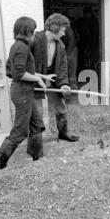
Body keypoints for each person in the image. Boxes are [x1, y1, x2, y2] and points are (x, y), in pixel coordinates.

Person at [0, 17, 55, 172]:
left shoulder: (18, 46)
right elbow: (19, 74)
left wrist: (44, 76)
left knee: (37, 124)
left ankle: (37, 159)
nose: (34, 34)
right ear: (27, 31)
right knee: (19, 131)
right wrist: (38, 80)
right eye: (33, 31)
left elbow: (20, 70)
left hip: (27, 92)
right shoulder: (22, 48)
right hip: (23, 93)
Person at [30, 13, 79, 142]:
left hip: (51, 79)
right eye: (62, 30)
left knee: (61, 107)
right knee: (37, 112)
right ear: (54, 28)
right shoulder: (34, 40)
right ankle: (35, 144)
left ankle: (63, 133)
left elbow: (63, 67)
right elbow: (23, 64)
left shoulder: (60, 45)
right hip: (35, 81)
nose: (63, 34)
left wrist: (63, 84)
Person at [74, 7, 100, 73]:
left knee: (93, 61)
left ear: (90, 14)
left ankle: (93, 72)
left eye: (87, 14)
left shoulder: (94, 21)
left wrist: (90, 46)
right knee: (83, 59)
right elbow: (75, 24)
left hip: (94, 44)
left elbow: (94, 34)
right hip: (84, 43)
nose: (86, 16)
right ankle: (84, 71)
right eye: (85, 14)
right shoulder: (82, 21)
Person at [61, 23, 78, 90]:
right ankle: (65, 86)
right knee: (65, 69)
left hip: (72, 51)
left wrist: (66, 55)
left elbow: (71, 43)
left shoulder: (69, 31)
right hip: (65, 50)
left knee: (72, 70)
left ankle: (73, 86)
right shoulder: (61, 31)